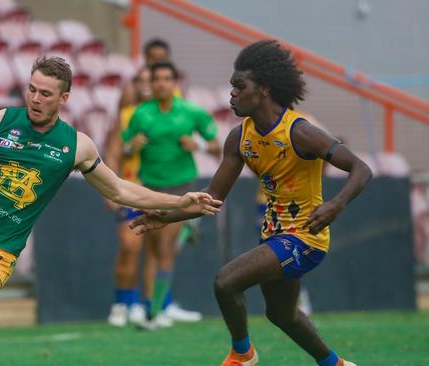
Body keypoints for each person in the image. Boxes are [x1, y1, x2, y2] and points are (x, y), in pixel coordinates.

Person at [0, 56, 220, 366]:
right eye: (32, 89)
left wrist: (180, 202)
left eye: (45, 93)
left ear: (63, 98)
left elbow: (120, 189)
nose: (35, 98)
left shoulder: (76, 146)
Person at [130, 40, 371, 365]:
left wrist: (336, 204)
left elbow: (361, 169)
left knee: (225, 282)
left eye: (238, 86)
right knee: (282, 316)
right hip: (274, 234)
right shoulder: (239, 137)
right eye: (232, 87)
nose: (231, 94)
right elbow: (213, 197)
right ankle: (336, 364)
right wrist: (168, 216)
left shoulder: (300, 132)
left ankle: (242, 355)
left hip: (305, 238)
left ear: (264, 91)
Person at [122, 61, 221, 329]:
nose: (162, 83)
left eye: (167, 78)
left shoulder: (191, 112)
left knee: (164, 247)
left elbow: (216, 146)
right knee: (153, 248)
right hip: (151, 187)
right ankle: (153, 308)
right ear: (150, 84)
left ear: (175, 82)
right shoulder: (141, 114)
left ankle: (154, 311)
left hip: (182, 188)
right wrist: (133, 146)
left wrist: (197, 144)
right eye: (157, 79)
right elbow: (125, 149)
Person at [105, 67, 154, 327]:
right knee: (129, 246)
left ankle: (151, 306)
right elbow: (113, 152)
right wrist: (109, 188)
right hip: (133, 188)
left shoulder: (169, 114)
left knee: (158, 251)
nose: (147, 86)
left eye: (151, 81)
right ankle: (123, 303)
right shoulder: (126, 116)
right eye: (142, 81)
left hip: (163, 189)